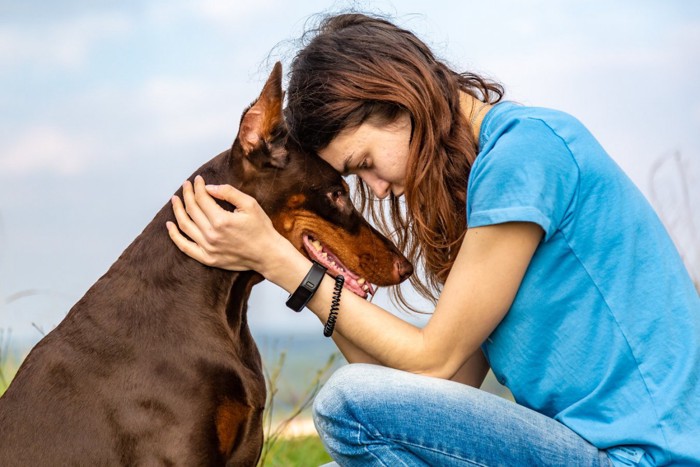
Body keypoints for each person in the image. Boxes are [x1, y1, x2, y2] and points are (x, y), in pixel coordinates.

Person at [166, 13, 700, 467]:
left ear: (397, 100)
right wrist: (317, 275)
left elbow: (433, 362)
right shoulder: (483, 186)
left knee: (344, 401)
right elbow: (445, 387)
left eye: (366, 164)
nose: (376, 187)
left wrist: (283, 265)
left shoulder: (524, 155)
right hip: (588, 451)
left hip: (644, 459)